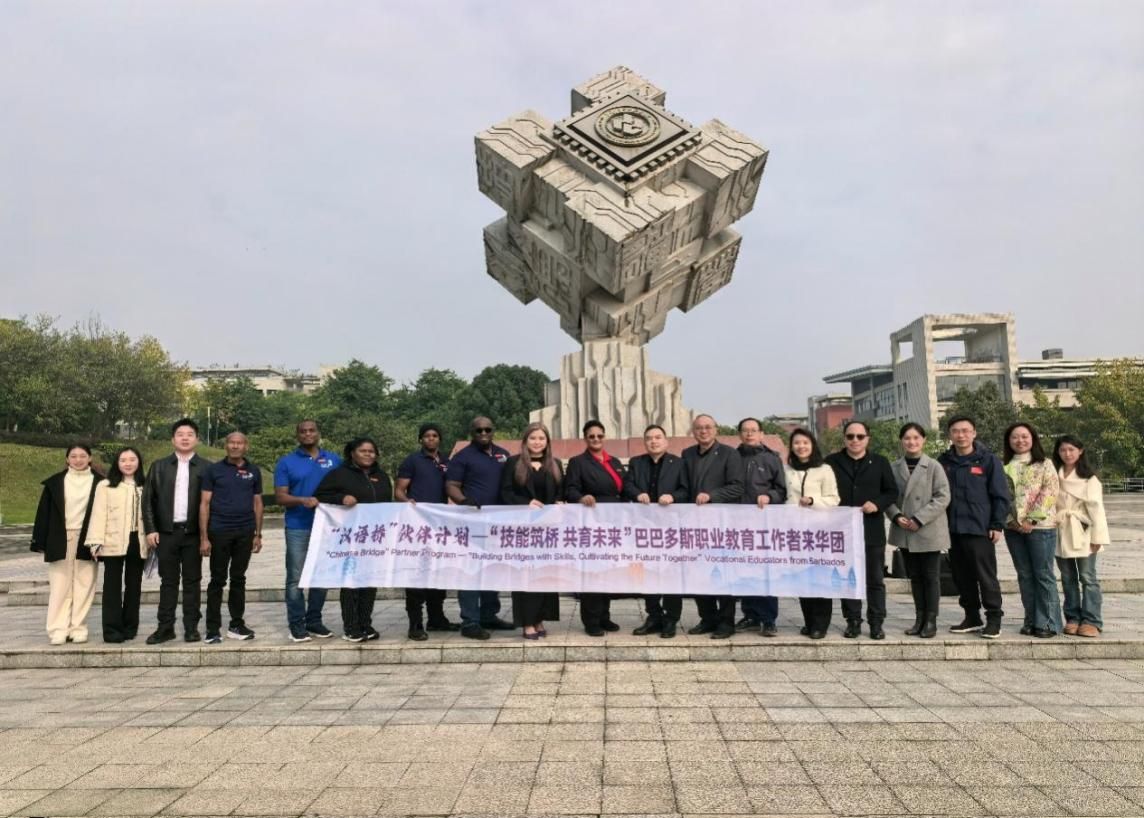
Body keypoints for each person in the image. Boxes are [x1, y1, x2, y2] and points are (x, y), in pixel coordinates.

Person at [939, 415, 1011, 639]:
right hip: (953, 529)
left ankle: (994, 618)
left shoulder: (988, 460)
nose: (961, 435)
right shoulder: (944, 462)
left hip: (980, 528)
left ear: (974, 433)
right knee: (961, 576)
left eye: (965, 431)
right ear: (950, 435)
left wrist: (997, 524)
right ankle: (971, 616)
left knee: (986, 576)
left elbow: (1001, 495)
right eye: (956, 431)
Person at [314, 437, 393, 642]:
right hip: (350, 537)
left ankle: (365, 623)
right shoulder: (339, 474)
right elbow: (319, 495)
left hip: (374, 537)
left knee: (370, 581)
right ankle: (351, 627)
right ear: (352, 453)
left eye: (371, 451)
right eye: (363, 451)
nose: (368, 454)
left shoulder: (381, 476)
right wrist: (341, 498)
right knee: (351, 582)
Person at [825, 420, 897, 640]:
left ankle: (876, 622)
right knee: (847, 577)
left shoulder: (880, 462)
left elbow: (891, 491)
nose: (855, 440)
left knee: (875, 579)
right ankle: (853, 620)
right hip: (841, 531)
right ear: (844, 439)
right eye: (850, 436)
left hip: (871, 529)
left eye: (860, 436)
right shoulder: (831, 462)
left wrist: (877, 503)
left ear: (868, 438)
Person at [445, 416, 514, 640]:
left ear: (493, 431)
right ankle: (470, 621)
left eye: (487, 429)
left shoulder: (503, 455)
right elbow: (451, 485)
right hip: (472, 524)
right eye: (479, 430)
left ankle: (488, 615)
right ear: (471, 433)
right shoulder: (462, 457)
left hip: (498, 525)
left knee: (492, 570)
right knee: (471, 572)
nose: (483, 433)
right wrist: (464, 501)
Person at [143, 419, 209, 645]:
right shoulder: (159, 466)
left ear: (197, 439)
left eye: (190, 434)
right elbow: (148, 500)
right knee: (168, 581)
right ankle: (165, 627)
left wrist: (206, 535)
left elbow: (212, 503)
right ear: (173, 439)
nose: (185, 438)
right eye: (180, 434)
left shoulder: (206, 467)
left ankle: (191, 627)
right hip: (166, 533)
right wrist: (150, 529)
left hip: (193, 533)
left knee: (192, 581)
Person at [274, 420, 340, 642]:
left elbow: (343, 487)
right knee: (296, 578)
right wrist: (302, 500)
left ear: (319, 433)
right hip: (298, 526)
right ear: (297, 435)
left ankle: (314, 621)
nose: (307, 434)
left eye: (312, 430)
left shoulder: (334, 459)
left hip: (327, 527)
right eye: (303, 431)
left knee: (321, 576)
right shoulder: (287, 462)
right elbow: (281, 497)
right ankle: (297, 624)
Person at [31, 444, 102, 645]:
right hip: (60, 537)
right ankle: (58, 629)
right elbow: (43, 513)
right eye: (74, 456)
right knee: (59, 585)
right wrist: (40, 541)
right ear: (67, 459)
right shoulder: (55, 483)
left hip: (88, 538)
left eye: (82, 456)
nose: (78, 460)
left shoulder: (101, 483)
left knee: (84, 584)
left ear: (90, 458)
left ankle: (78, 627)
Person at [395, 422, 460, 640]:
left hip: (439, 526)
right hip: (417, 525)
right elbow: (399, 491)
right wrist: (408, 502)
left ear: (440, 439)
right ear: (420, 439)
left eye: (435, 435)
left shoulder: (447, 462)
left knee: (437, 573)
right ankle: (415, 624)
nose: (431, 439)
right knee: (416, 575)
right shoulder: (412, 460)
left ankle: (436, 618)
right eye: (427, 436)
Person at [625, 424, 691, 638]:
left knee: (671, 572)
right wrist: (637, 494)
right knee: (647, 572)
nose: (653, 441)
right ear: (645, 442)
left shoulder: (679, 463)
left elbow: (686, 490)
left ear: (666, 441)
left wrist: (673, 497)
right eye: (649, 438)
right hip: (644, 528)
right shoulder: (636, 462)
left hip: (670, 528)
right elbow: (627, 486)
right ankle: (653, 616)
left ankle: (671, 619)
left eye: (657, 437)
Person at [886, 423, 951, 639]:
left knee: (930, 577)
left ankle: (931, 620)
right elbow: (887, 495)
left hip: (928, 529)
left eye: (916, 438)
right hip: (904, 529)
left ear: (923, 440)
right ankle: (919, 618)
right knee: (914, 577)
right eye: (907, 438)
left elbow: (943, 497)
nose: (911, 442)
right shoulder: (894, 467)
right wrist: (896, 515)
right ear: (901, 441)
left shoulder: (933, 466)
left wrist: (919, 519)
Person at [682, 414, 744, 638]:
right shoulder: (687, 454)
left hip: (721, 524)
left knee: (723, 573)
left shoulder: (729, 454)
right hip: (695, 525)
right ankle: (707, 618)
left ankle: (726, 622)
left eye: (708, 427)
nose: (703, 431)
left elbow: (737, 487)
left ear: (716, 429)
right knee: (699, 573)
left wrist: (712, 496)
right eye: (699, 428)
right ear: (693, 431)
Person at [500, 422, 563, 639]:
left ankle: (539, 619)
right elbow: (505, 493)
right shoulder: (513, 463)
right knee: (525, 576)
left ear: (547, 442)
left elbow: (560, 492)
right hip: (523, 530)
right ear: (526, 441)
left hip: (547, 531)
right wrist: (525, 503)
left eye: (541, 438)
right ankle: (527, 622)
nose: (537, 442)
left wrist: (560, 502)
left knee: (545, 574)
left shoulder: (555, 464)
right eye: (533, 438)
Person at [199, 432, 263, 645]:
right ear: (226, 446)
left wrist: (258, 534)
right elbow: (204, 504)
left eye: (239, 443)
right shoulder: (213, 470)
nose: (235, 446)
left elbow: (257, 503)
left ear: (246, 446)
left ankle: (236, 624)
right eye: (232, 443)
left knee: (239, 578)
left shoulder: (254, 471)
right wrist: (204, 537)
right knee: (217, 579)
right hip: (219, 531)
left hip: (245, 532)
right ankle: (212, 628)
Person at [565, 420, 627, 636]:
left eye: (599, 435)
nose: (596, 439)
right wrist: (581, 497)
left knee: (607, 571)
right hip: (591, 524)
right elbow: (570, 489)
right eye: (591, 436)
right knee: (592, 572)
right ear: (585, 438)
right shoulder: (578, 462)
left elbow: (624, 489)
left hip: (613, 523)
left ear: (604, 437)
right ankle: (591, 620)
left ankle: (604, 616)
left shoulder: (614, 461)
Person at [1003, 422, 1061, 638]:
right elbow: (999, 496)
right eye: (1015, 437)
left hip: (1041, 527)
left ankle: (1047, 623)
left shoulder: (1045, 464)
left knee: (1043, 574)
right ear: (1009, 441)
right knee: (1025, 575)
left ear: (1033, 439)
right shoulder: (1003, 466)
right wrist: (1010, 521)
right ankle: (1030, 619)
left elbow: (1050, 492)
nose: (1020, 441)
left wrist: (1031, 520)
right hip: (1013, 528)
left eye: (1024, 436)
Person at [783, 428, 840, 639]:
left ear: (812, 445)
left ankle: (820, 624)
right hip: (795, 532)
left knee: (820, 577)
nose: (801, 446)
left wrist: (813, 501)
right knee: (802, 578)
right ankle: (809, 621)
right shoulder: (786, 470)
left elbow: (834, 499)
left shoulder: (824, 469)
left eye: (805, 442)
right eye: (797, 443)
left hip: (818, 531)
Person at [86, 447, 146, 643]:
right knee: (112, 586)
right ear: (117, 463)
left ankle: (130, 627)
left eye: (132, 459)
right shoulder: (105, 486)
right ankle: (112, 630)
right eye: (123, 460)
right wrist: (95, 542)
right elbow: (98, 514)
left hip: (137, 541)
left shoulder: (145, 485)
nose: (128, 463)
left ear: (139, 462)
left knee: (134, 585)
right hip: (112, 540)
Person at [734, 417, 788, 636]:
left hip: (764, 524)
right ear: (740, 434)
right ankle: (750, 615)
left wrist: (769, 496)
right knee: (744, 569)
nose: (749, 434)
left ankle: (768, 619)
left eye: (753, 430)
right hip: (738, 524)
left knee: (765, 570)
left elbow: (782, 491)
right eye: (745, 430)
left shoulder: (772, 459)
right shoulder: (732, 458)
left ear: (761, 434)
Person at [1053, 435, 1110, 638]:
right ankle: (1073, 618)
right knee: (1067, 577)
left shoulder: (1090, 478)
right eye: (1063, 450)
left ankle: (1092, 620)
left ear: (1080, 451)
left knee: (1087, 577)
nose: (1067, 454)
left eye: (1071, 449)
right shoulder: (1054, 475)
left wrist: (1098, 538)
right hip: (1061, 529)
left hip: (1084, 531)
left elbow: (1097, 510)